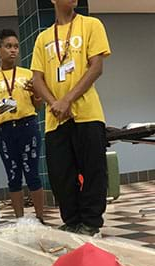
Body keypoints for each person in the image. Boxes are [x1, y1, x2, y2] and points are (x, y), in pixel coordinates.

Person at [31, 0, 111, 236]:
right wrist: (54, 103)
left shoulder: (91, 24)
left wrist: (67, 100)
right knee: (60, 174)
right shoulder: (42, 38)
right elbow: (37, 78)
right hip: (55, 118)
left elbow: (96, 67)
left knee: (94, 170)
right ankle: (72, 220)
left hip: (87, 113)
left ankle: (91, 222)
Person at [0, 29, 44, 221]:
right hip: (6, 131)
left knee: (32, 173)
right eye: (8, 46)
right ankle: (20, 220)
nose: (13, 50)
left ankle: (40, 217)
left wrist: (37, 92)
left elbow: (38, 105)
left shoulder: (28, 75)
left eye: (16, 46)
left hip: (28, 126)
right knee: (13, 175)